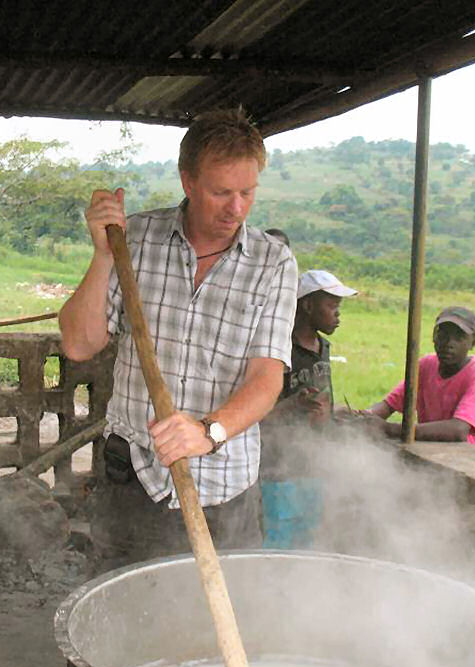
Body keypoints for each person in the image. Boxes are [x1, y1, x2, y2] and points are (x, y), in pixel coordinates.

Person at [58, 108, 298, 565]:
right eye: (221, 192)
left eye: (248, 192)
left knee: (216, 623)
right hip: (134, 482)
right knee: (126, 615)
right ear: (188, 182)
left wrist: (209, 431)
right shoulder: (135, 241)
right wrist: (103, 256)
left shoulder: (274, 263)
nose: (237, 208)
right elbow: (78, 344)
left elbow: (267, 380)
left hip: (225, 490)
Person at [259, 269, 358, 547]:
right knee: (278, 537)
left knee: (308, 535)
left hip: (314, 464)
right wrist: (293, 405)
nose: (338, 314)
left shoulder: (323, 348)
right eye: (332, 306)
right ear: (307, 305)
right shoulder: (279, 351)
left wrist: (333, 414)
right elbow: (259, 412)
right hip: (279, 467)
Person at [363, 306, 475, 472]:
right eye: (443, 335)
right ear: (434, 337)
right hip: (434, 460)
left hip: (474, 467)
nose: (449, 344)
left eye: (459, 337)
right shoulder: (426, 365)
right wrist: (361, 419)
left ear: (473, 343)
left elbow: (458, 430)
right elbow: (388, 405)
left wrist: (390, 429)